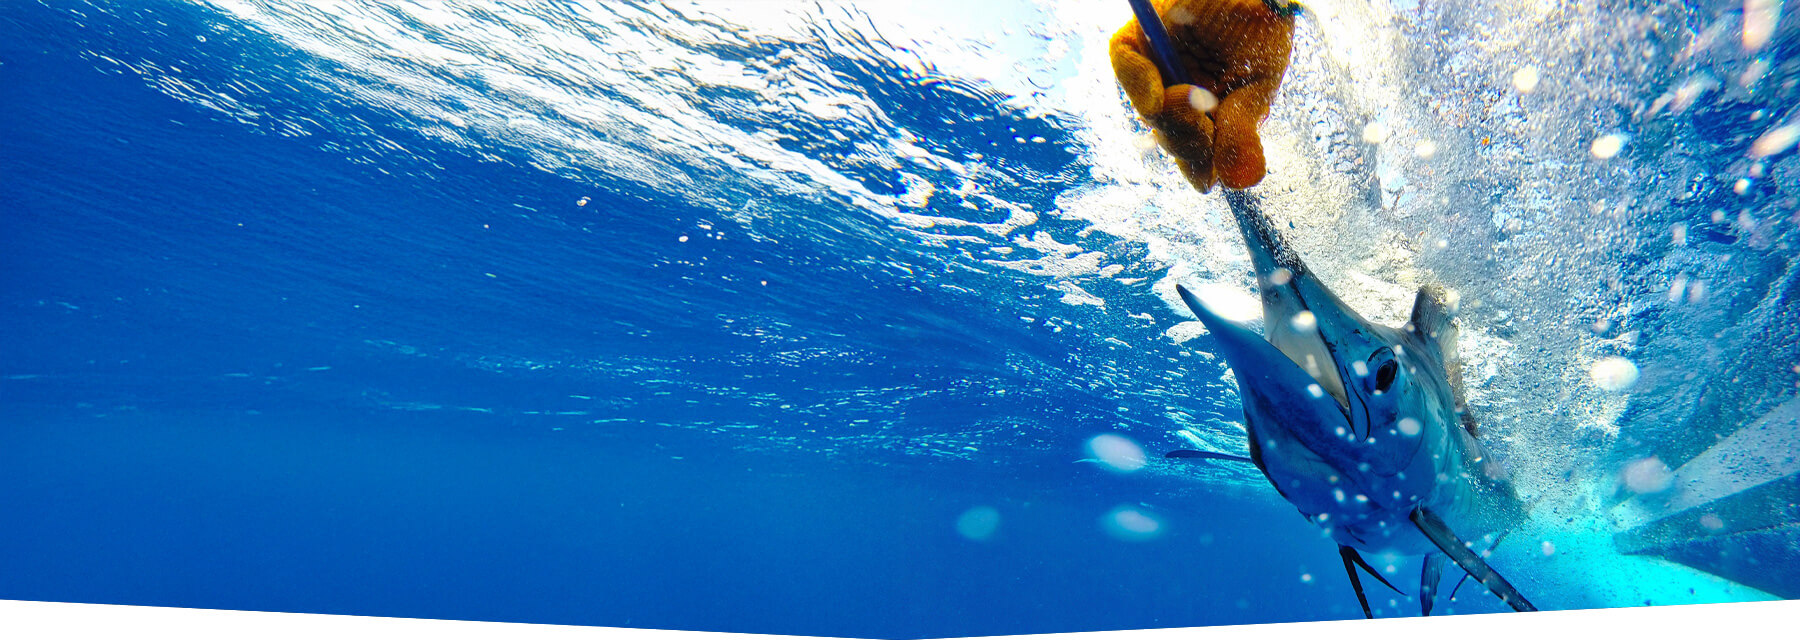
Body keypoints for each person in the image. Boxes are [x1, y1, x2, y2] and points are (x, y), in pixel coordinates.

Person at [1110, 0, 1301, 192]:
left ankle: (1217, 157)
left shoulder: (1276, 36)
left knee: (1201, 140)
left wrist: (1236, 134)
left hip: (1213, 103)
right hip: (1162, 52)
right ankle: (1204, 157)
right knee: (1180, 124)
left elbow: (1254, 92)